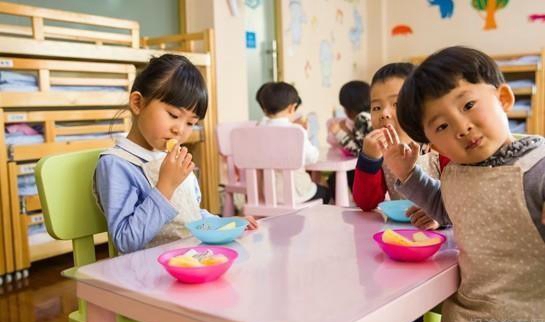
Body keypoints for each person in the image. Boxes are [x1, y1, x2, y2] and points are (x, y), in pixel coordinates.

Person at [381, 46, 545, 321]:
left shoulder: (536, 167)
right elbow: (445, 208)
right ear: (434, 146)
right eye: (442, 126)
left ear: (503, 98)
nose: (461, 127)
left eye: (468, 105)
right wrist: (407, 174)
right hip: (467, 311)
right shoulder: (456, 173)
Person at [95, 54, 257, 254]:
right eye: (173, 115)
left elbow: (190, 217)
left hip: (189, 259)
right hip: (148, 273)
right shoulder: (117, 164)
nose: (180, 130)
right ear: (138, 103)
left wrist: (223, 223)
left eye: (190, 123)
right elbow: (126, 240)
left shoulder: (169, 156)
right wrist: (165, 186)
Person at [352, 63, 447, 229]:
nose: (384, 114)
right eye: (376, 107)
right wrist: (369, 159)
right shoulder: (382, 151)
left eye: (396, 104)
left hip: (446, 235)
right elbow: (367, 203)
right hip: (399, 231)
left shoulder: (440, 146)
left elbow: (463, 199)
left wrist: (441, 218)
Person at [256, 82, 330, 204]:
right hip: (296, 194)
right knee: (325, 192)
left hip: (267, 195)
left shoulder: (258, 130)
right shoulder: (296, 131)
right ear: (292, 108)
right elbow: (312, 157)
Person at [327, 80, 373, 157]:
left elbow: (358, 151)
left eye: (344, 107)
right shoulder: (369, 116)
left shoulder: (362, 118)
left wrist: (338, 132)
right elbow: (360, 142)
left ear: (350, 106)